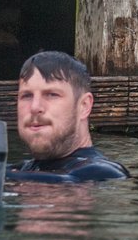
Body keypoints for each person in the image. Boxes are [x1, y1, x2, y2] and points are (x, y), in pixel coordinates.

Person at [9, 50, 129, 182]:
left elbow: (70, 179)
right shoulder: (23, 169)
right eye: (27, 96)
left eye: (52, 94)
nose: (35, 107)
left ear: (84, 106)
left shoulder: (106, 173)